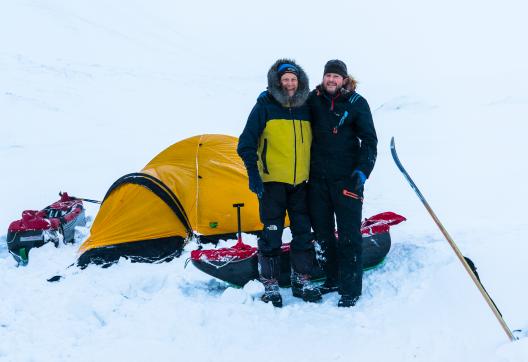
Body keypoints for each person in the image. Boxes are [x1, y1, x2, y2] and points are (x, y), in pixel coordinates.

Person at [237, 59, 322, 307]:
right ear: (277, 81)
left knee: (303, 232)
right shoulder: (264, 106)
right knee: (271, 233)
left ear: (300, 81)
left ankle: (301, 280)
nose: (289, 84)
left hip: (301, 184)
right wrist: (254, 174)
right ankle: (270, 284)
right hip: (272, 183)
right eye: (285, 80)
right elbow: (246, 144)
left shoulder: (307, 106)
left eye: (293, 80)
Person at [307, 59, 378, 307]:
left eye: (337, 76)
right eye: (328, 75)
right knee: (323, 234)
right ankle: (333, 278)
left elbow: (369, 141)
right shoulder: (313, 99)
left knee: (349, 236)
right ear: (323, 77)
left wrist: (362, 172)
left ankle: (350, 288)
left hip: (348, 181)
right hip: (317, 181)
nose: (332, 80)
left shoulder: (358, 104)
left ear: (344, 80)